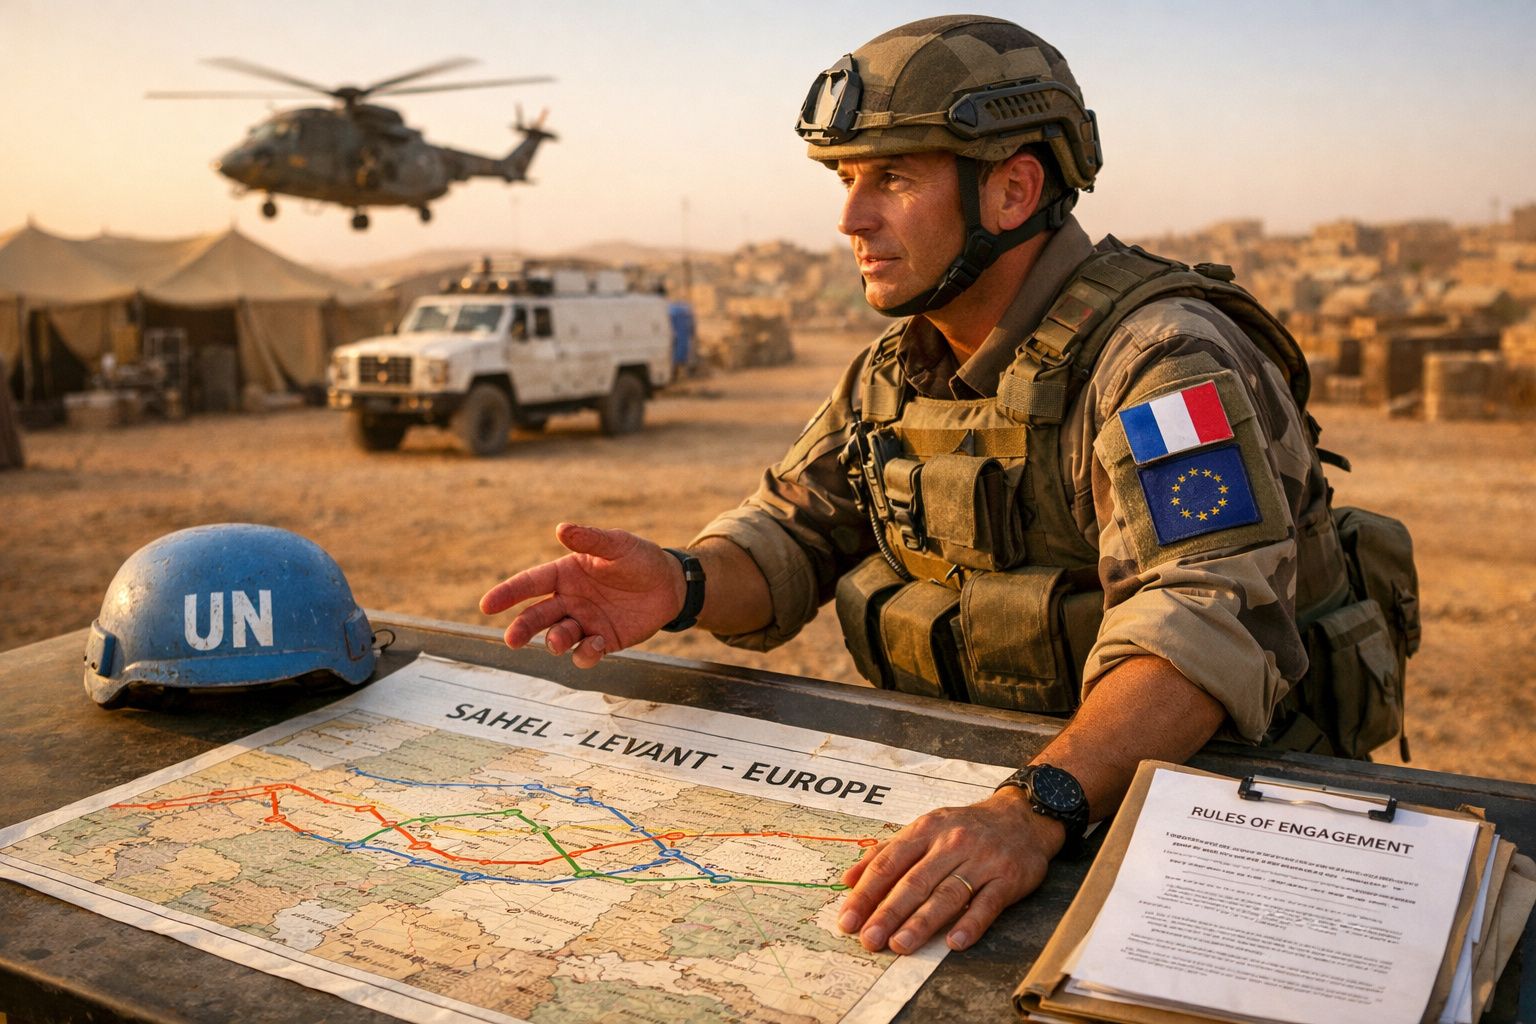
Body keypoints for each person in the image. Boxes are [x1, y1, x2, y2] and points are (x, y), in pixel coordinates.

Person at [481, 15, 1351, 958]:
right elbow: (794, 529)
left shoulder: (1159, 359)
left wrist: (1033, 810)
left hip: (1205, 818)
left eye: (892, 178)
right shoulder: (899, 367)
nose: (851, 219)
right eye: (846, 180)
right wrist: (682, 581)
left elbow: (1205, 619)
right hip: (997, 804)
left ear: (1013, 190)